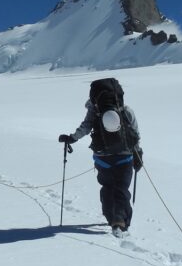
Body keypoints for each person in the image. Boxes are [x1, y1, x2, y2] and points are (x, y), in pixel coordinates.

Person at [59, 78, 143, 234]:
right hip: (125, 156)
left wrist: (71, 138)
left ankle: (111, 217)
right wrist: (139, 153)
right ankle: (120, 220)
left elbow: (84, 128)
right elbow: (135, 133)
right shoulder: (125, 110)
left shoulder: (94, 112)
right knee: (121, 188)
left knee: (107, 187)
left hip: (102, 158)